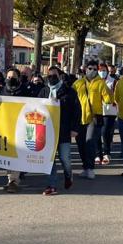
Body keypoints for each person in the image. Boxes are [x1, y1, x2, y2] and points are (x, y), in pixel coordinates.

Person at [44, 67, 82, 196]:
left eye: (54, 75)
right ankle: (52, 185)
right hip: (47, 132)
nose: (51, 78)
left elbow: (77, 111)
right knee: (50, 159)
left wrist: (75, 129)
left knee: (65, 158)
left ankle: (68, 175)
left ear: (60, 76)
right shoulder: (44, 91)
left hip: (64, 131)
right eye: (49, 76)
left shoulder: (69, 92)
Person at [73, 59, 111, 180]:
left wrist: (107, 90)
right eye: (90, 68)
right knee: (80, 144)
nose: (92, 71)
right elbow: (71, 98)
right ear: (85, 69)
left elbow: (108, 100)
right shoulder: (78, 83)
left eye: (95, 69)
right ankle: (85, 167)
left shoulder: (101, 83)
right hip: (79, 118)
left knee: (90, 142)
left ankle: (90, 168)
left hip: (94, 118)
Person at [97, 62, 116, 165]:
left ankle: (106, 153)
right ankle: (98, 154)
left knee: (105, 133)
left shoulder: (113, 81)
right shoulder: (94, 81)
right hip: (97, 110)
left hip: (109, 111)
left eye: (104, 70)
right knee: (97, 133)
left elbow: (116, 95)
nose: (102, 72)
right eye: (100, 70)